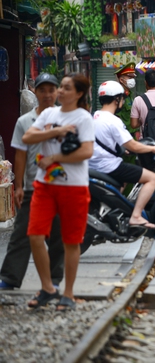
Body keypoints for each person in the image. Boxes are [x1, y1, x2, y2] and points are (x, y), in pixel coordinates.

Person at [22, 73, 95, 311]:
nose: (59, 92)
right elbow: (28, 137)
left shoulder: (83, 118)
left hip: (74, 187)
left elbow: (86, 152)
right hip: (44, 186)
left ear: (79, 93)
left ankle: (68, 294)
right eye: (60, 87)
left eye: (65, 88)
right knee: (35, 235)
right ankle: (47, 288)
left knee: (71, 241)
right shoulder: (48, 114)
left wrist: (55, 157)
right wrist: (55, 132)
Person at [0, 73, 65, 291]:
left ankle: (54, 279)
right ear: (35, 92)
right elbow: (20, 155)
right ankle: (10, 278)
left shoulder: (67, 118)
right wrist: (18, 186)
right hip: (32, 188)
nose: (47, 95)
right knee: (22, 233)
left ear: (57, 92)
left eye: (51, 90)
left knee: (57, 234)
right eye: (42, 90)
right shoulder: (24, 121)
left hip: (59, 187)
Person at [90, 81, 155, 229]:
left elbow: (103, 142)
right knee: (152, 178)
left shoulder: (94, 116)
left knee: (123, 180)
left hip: (93, 166)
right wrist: (153, 148)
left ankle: (111, 211)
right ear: (116, 99)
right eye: (122, 99)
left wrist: (123, 150)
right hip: (109, 166)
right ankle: (136, 216)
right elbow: (132, 145)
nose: (123, 102)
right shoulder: (113, 120)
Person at [114, 62, 137, 137]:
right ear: (121, 80)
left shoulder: (129, 94)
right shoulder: (119, 96)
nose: (132, 80)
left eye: (133, 78)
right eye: (130, 78)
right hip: (123, 136)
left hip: (131, 135)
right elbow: (116, 118)